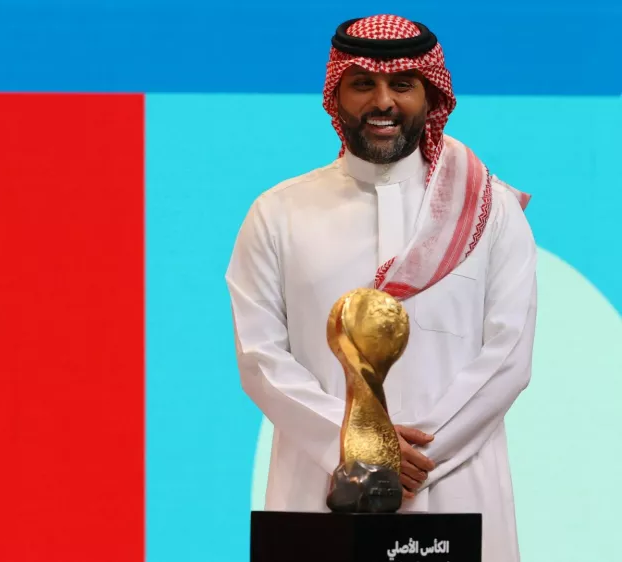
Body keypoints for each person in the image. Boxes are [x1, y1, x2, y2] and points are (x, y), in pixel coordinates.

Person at [225, 14, 536, 562]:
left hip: (452, 486)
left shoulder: (491, 210)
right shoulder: (278, 213)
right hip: (319, 492)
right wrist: (355, 448)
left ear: (431, 94)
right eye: (364, 83)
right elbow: (259, 356)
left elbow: (508, 355)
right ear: (337, 94)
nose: (383, 102)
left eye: (402, 85)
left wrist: (416, 454)